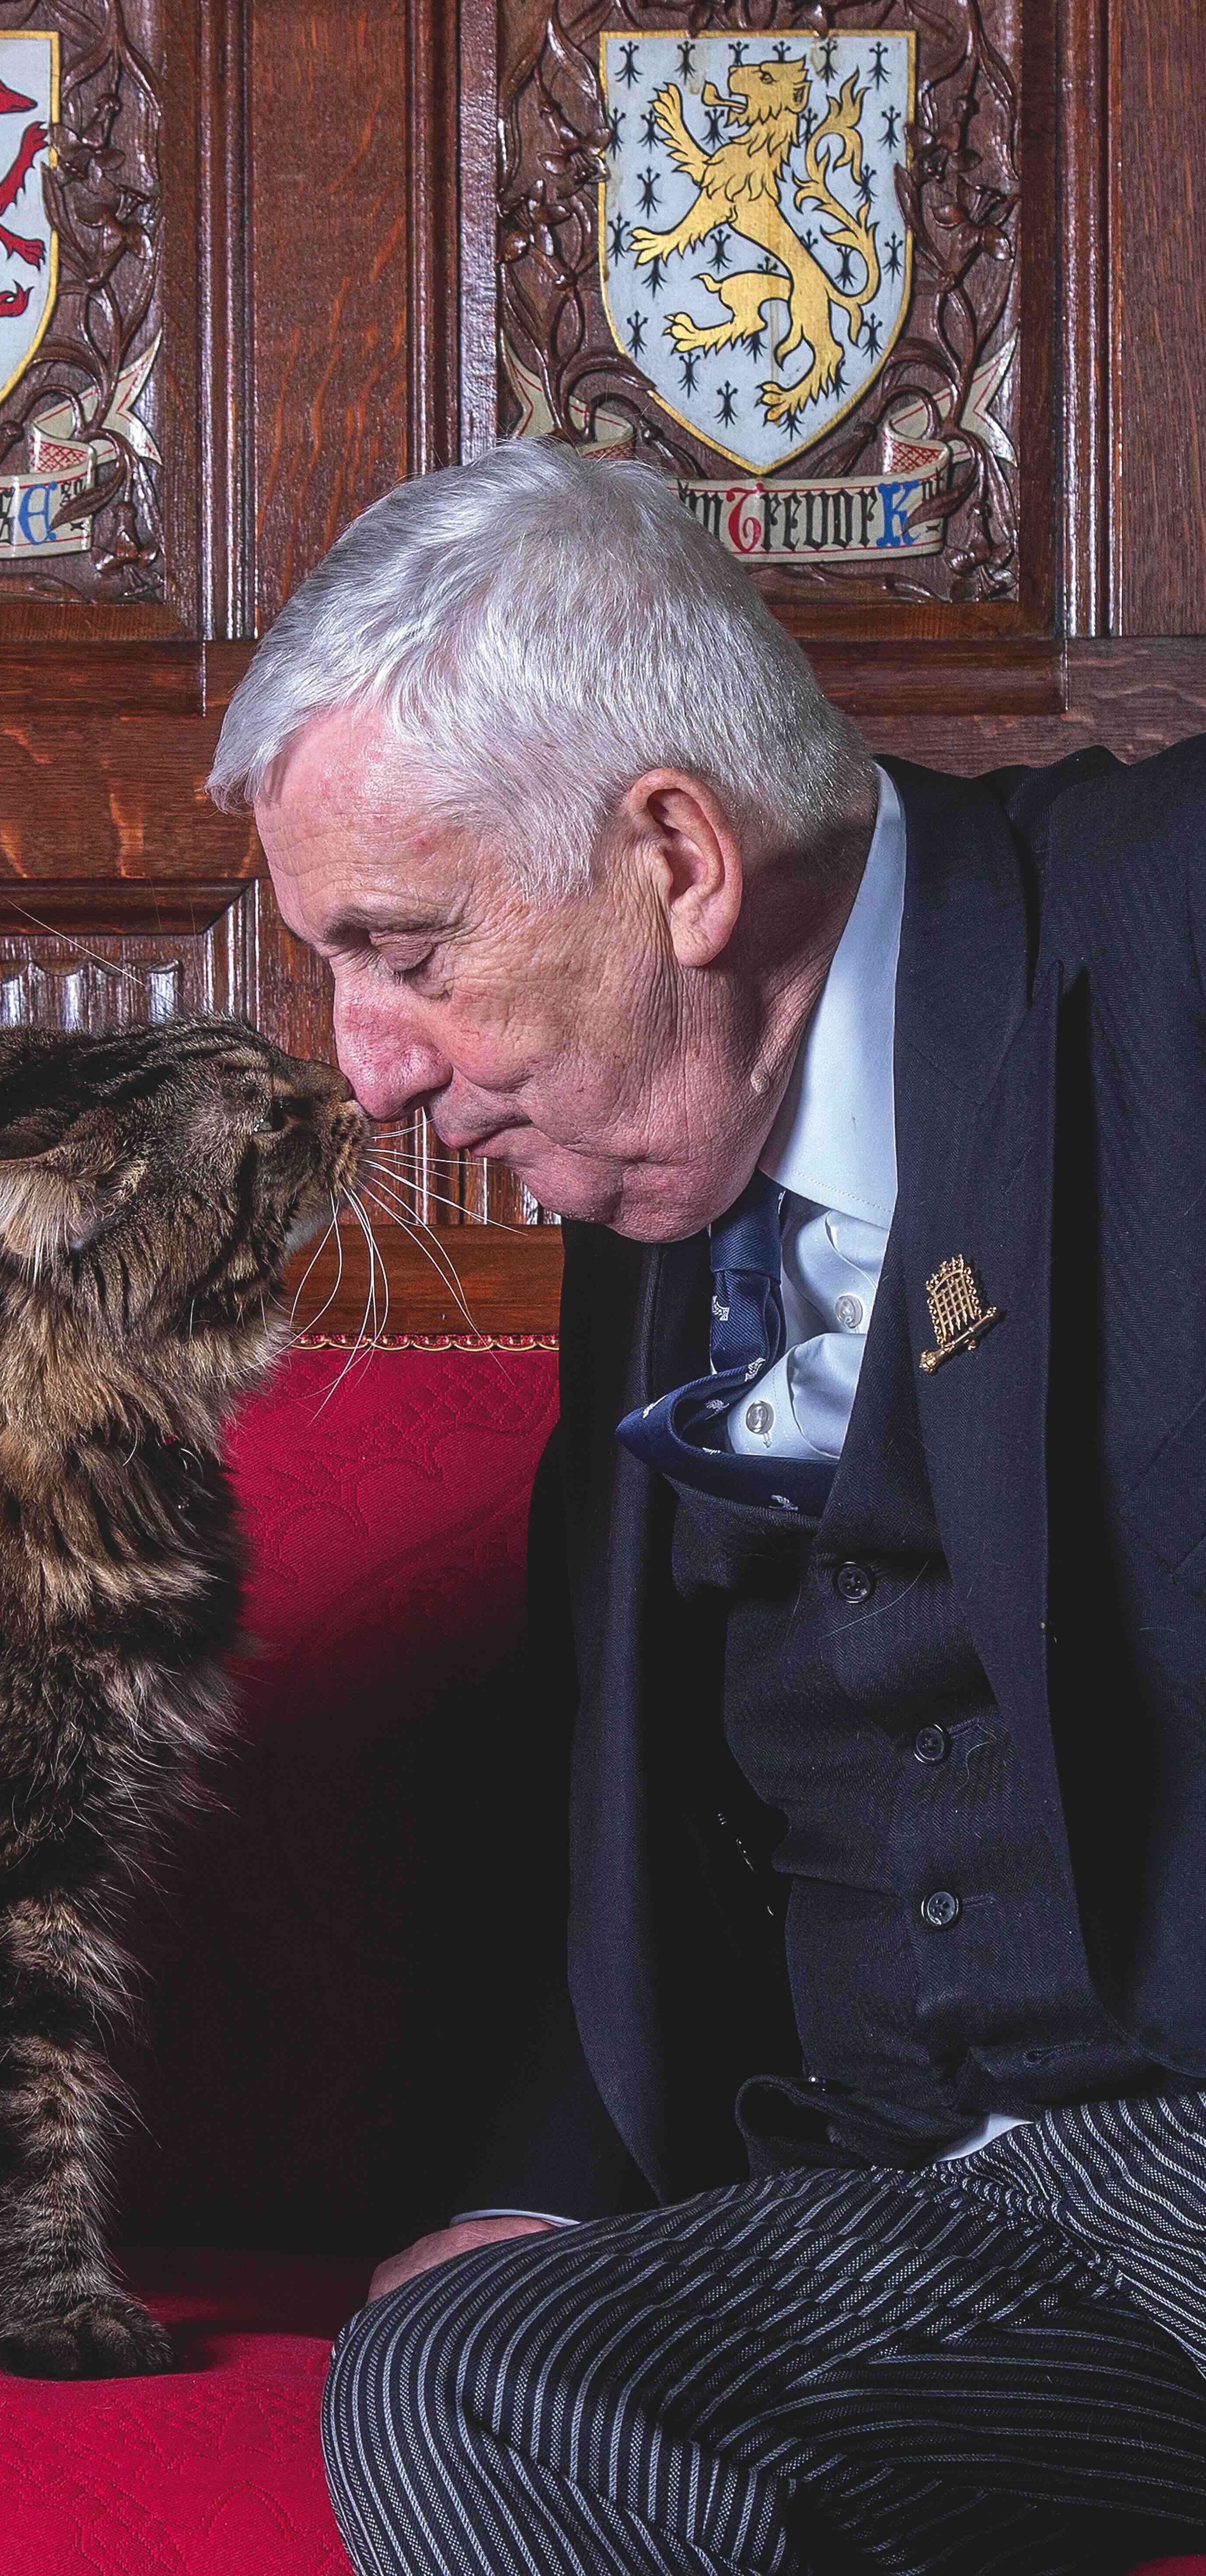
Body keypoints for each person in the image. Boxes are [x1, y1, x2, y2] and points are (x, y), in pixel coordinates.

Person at [206, 440, 1206, 2576]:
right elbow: (603, 1735)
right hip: (938, 2208)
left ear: (675, 854)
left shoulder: (1171, 915)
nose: (362, 1066)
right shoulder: (650, 1143)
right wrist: (556, 2184)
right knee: (468, 2378)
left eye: (400, 946)